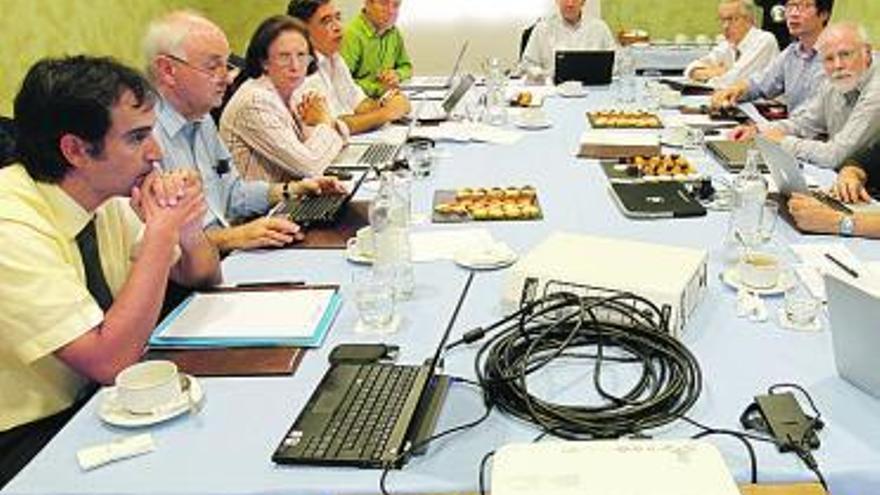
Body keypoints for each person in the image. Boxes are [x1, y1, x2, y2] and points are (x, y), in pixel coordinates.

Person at [0, 55, 221, 487]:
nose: (156, 153)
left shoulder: (105, 197)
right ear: (76, 150)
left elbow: (203, 278)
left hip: (106, 403)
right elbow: (109, 361)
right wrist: (160, 234)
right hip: (29, 434)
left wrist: (189, 229)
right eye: (137, 138)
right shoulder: (10, 226)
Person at [144, 11, 344, 252]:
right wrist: (234, 237)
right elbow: (156, 243)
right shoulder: (143, 138)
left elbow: (231, 195)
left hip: (225, 252)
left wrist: (291, 191)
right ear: (167, 70)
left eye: (225, 65)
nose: (228, 78)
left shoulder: (202, 118)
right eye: (212, 66)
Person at [730, 22, 879, 169]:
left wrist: (782, 141)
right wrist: (760, 130)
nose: (838, 65)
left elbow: (835, 155)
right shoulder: (836, 80)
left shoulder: (876, 90)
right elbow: (804, 123)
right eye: (829, 59)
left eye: (845, 54)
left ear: (866, 52)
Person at [220, 16, 346, 181]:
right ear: (264, 61)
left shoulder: (292, 91)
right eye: (284, 56)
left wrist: (325, 124)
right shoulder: (255, 101)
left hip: (290, 196)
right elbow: (309, 166)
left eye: (301, 55)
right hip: (260, 205)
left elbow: (338, 136)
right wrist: (326, 123)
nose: (295, 66)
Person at [287, 0, 411, 135]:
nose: (338, 27)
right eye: (326, 21)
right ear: (302, 32)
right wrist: (387, 113)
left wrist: (387, 102)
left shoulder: (334, 58)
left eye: (338, 18)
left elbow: (359, 103)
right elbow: (336, 125)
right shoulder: (301, 69)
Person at [711, 0, 833, 113]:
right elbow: (760, 83)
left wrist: (770, 129)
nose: (794, 14)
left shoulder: (835, 55)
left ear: (824, 14)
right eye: (790, 6)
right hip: (793, 130)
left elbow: (815, 118)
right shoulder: (791, 53)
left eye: (805, 6)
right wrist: (734, 90)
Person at [685, 0, 779, 88]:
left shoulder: (764, 40)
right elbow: (690, 69)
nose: (725, 26)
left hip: (765, 104)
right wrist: (716, 72)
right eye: (722, 20)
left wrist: (710, 74)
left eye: (731, 19)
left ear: (749, 20)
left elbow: (732, 82)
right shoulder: (728, 44)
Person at [520, 0, 617, 77]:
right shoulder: (542, 29)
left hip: (592, 90)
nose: (570, 4)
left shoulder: (600, 28)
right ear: (557, 1)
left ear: (583, 2)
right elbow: (527, 65)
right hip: (554, 91)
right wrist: (544, 75)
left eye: (575, 0)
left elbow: (615, 62)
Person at [339, 0, 412, 98]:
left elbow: (407, 67)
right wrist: (379, 88)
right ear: (367, 4)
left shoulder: (394, 32)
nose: (391, 11)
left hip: (386, 99)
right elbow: (342, 84)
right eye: (383, 3)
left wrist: (397, 75)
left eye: (396, 5)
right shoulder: (351, 35)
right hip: (359, 105)